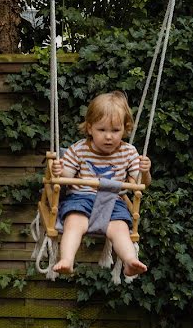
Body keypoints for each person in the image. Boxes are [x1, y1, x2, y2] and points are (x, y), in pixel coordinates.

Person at [50, 91, 152, 276]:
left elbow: (140, 183)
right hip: (80, 198)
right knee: (73, 223)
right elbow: (66, 176)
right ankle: (67, 259)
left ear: (125, 128)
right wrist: (58, 171)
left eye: (115, 131)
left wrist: (145, 171)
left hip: (113, 201)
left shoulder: (129, 152)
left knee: (120, 228)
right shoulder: (79, 149)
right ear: (90, 128)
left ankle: (130, 261)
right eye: (102, 130)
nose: (108, 137)